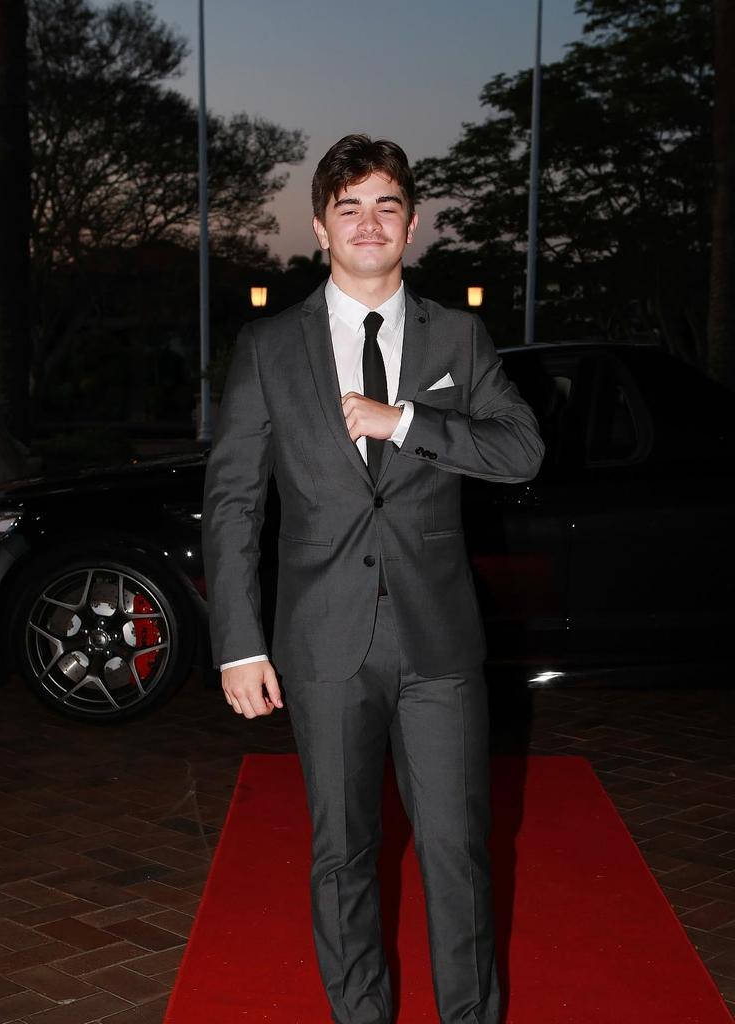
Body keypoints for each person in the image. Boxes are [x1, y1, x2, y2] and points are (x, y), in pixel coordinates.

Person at [202, 134, 544, 1024]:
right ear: (320, 226)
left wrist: (407, 422)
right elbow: (234, 502)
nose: (368, 221)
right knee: (342, 857)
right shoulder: (269, 347)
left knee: (458, 854)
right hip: (321, 645)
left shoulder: (458, 338)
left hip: (438, 643)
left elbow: (520, 450)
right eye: (347, 206)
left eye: (385, 204)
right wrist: (238, 643)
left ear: (413, 224)